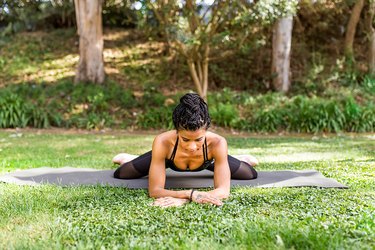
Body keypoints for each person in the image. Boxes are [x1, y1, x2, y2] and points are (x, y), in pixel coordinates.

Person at [113, 93, 258, 207]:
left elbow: (223, 191)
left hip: (207, 160)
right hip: (170, 158)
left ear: (206, 131)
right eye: (186, 139)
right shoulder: (163, 142)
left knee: (250, 173)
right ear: (176, 131)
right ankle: (131, 158)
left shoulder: (218, 143)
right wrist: (191, 194)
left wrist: (183, 200)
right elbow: (155, 191)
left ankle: (238, 158)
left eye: (198, 139)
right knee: (122, 173)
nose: (192, 147)